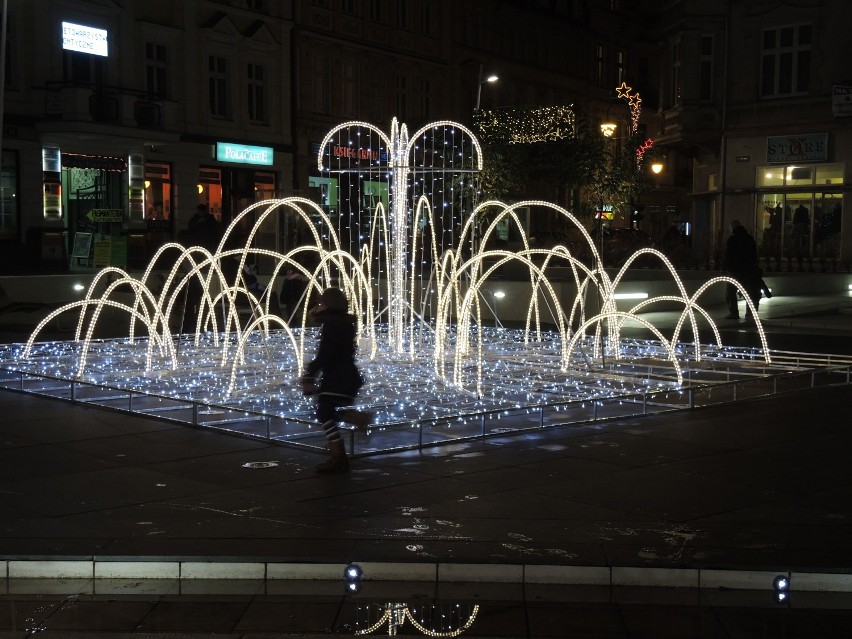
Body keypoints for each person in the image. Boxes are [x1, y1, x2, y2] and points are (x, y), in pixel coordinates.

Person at [299, 288, 371, 473]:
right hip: (345, 375)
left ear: (329, 305)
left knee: (324, 412)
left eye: (321, 303)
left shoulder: (333, 324)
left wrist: (310, 374)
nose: (318, 306)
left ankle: (338, 456)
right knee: (326, 411)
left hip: (338, 376)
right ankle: (356, 420)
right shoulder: (342, 322)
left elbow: (326, 353)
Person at [722, 220, 761, 320]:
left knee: (731, 291)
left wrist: (725, 267)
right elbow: (754, 255)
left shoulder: (732, 239)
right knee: (749, 291)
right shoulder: (749, 239)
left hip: (735, 270)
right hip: (748, 269)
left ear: (732, 229)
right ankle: (750, 313)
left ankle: (734, 312)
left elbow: (728, 255)